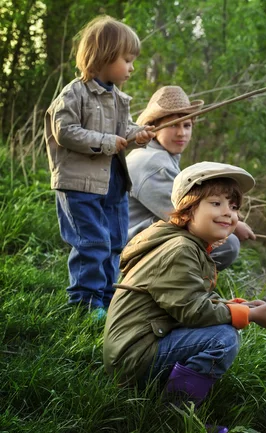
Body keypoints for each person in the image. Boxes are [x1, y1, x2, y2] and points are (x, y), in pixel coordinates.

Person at [103, 162, 266, 422]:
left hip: (138, 347)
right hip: (133, 358)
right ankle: (175, 414)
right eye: (216, 203)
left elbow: (187, 299)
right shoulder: (181, 249)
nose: (229, 214)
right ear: (188, 209)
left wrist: (238, 305)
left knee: (222, 330)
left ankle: (170, 392)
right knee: (222, 338)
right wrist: (249, 316)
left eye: (233, 207)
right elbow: (193, 311)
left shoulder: (187, 244)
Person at [44, 16, 155, 317]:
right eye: (127, 60)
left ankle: (107, 298)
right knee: (92, 242)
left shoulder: (119, 98)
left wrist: (138, 134)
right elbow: (64, 132)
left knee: (115, 242)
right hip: (80, 185)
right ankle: (84, 303)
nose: (132, 67)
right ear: (103, 57)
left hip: (113, 183)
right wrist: (107, 141)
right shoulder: (73, 94)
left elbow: (125, 128)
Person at [127, 86, 255, 271]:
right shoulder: (154, 163)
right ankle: (177, 284)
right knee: (228, 244)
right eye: (173, 125)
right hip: (130, 247)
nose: (182, 133)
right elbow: (186, 215)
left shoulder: (157, 155)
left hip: (142, 238)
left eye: (187, 125)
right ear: (154, 127)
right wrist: (234, 226)